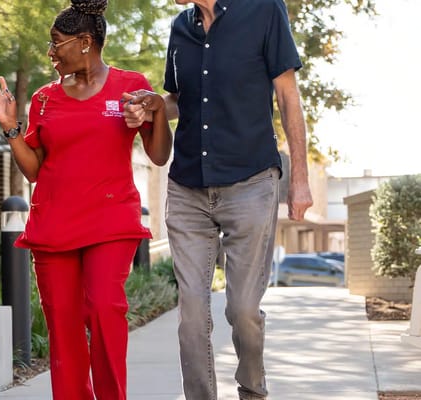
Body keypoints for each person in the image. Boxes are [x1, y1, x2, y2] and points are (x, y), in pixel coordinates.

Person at [0, 0, 172, 398]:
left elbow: (158, 155)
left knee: (105, 309)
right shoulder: (45, 99)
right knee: (63, 330)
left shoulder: (129, 86)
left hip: (110, 221)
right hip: (53, 227)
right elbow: (34, 169)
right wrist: (9, 128)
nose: (51, 53)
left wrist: (155, 111)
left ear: (86, 42)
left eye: (57, 44)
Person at [133, 0, 314, 398]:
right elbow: (179, 100)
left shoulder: (265, 10)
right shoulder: (181, 27)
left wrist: (299, 179)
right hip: (187, 187)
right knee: (191, 316)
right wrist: (153, 105)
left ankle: (252, 391)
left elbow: (287, 95)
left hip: (251, 181)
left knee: (243, 310)